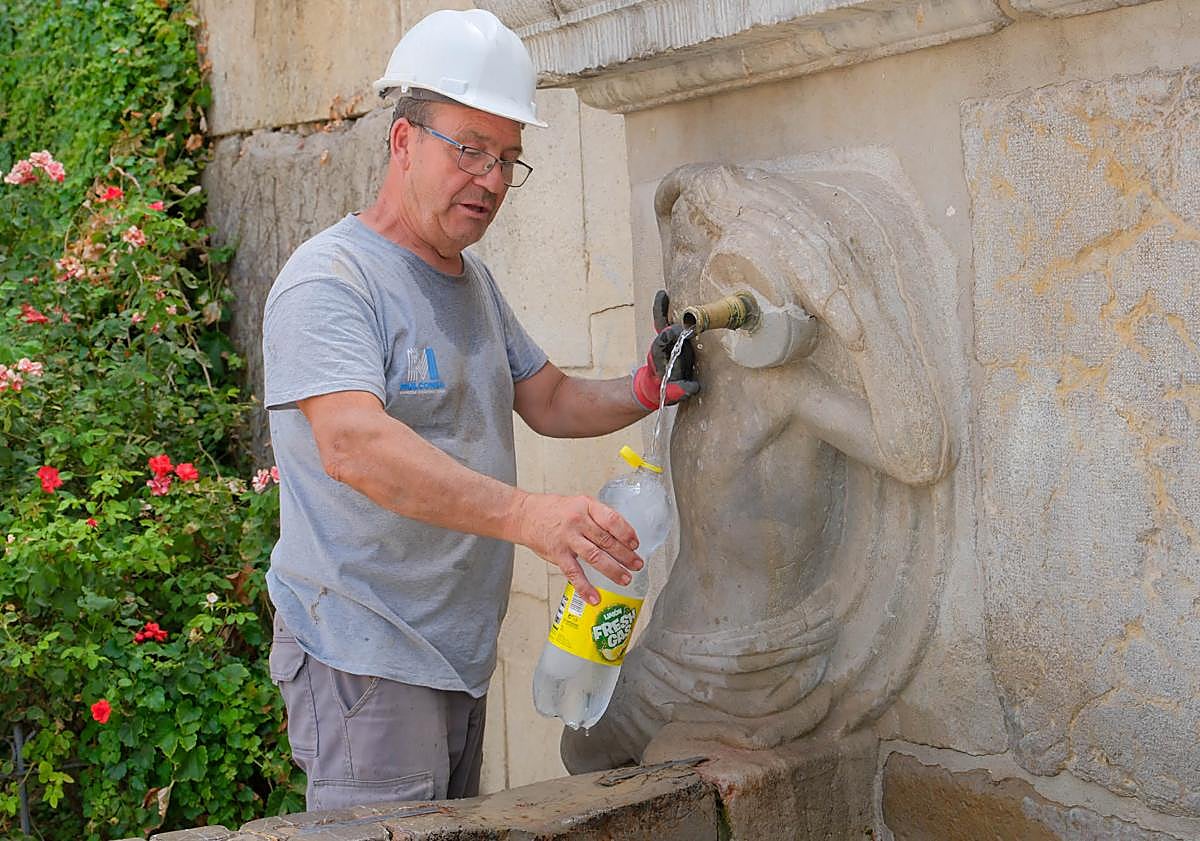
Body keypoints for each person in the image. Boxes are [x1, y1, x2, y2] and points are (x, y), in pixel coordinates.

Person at [260, 9, 698, 812]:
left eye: (507, 158)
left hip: (455, 656)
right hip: (369, 658)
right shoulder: (331, 280)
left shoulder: (472, 282)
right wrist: (531, 517)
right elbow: (353, 445)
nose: (491, 178)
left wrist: (649, 384)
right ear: (402, 143)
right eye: (470, 149)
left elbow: (551, 398)